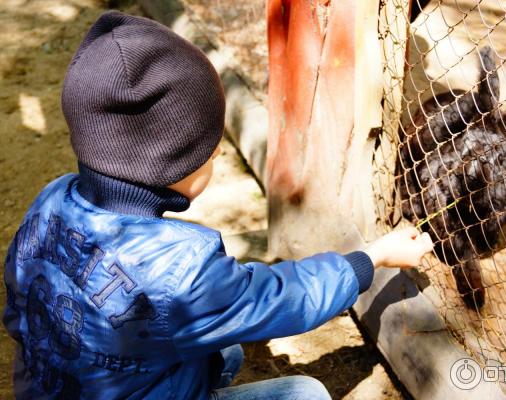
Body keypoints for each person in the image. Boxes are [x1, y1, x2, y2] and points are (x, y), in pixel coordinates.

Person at [2, 11, 433, 400]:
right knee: (306, 393)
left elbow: (17, 312)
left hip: (57, 387)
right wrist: (373, 256)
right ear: (171, 162)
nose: (217, 157)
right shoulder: (183, 272)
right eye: (210, 153)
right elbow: (284, 298)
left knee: (223, 347)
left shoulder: (52, 200)